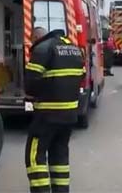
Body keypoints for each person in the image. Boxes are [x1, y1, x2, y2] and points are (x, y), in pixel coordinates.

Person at [24, 27, 85, 193]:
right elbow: (82, 76)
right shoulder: (74, 49)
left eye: (32, 39)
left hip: (47, 115)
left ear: (37, 37)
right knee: (60, 157)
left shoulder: (42, 49)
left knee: (35, 157)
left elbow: (30, 83)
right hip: (70, 115)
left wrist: (40, 93)